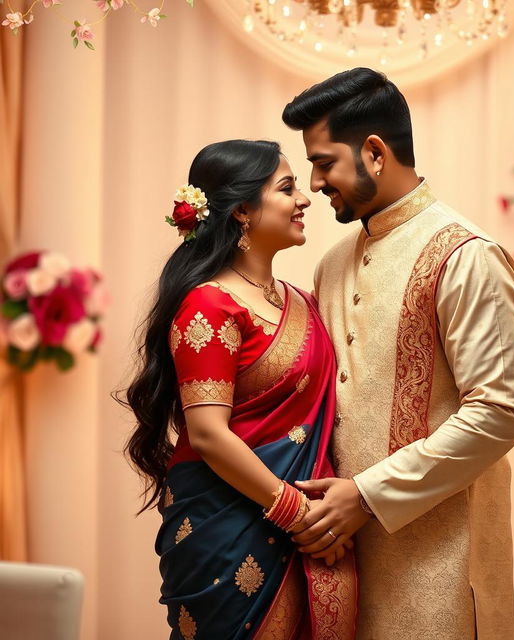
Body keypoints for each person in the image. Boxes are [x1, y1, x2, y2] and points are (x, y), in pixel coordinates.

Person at [282, 68, 514, 640]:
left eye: (324, 162)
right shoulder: (334, 263)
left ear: (374, 153)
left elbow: (501, 411)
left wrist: (367, 496)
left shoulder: (467, 256)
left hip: (442, 565)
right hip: (341, 562)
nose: (315, 184)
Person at [121, 140, 357, 640]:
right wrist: (298, 514)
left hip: (311, 528)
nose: (305, 198)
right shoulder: (209, 305)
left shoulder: (304, 302)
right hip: (229, 534)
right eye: (287, 187)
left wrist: (325, 518)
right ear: (243, 211)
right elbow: (207, 434)